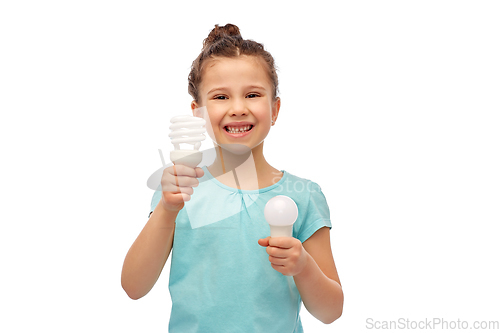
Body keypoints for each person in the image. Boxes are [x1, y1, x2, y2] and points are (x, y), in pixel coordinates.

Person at [121, 23, 343, 333]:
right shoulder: (179, 189)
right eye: (221, 97)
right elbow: (134, 287)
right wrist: (167, 209)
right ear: (197, 113)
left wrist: (303, 267)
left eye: (252, 94)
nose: (238, 108)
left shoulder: (303, 195)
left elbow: (331, 311)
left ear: (274, 109)